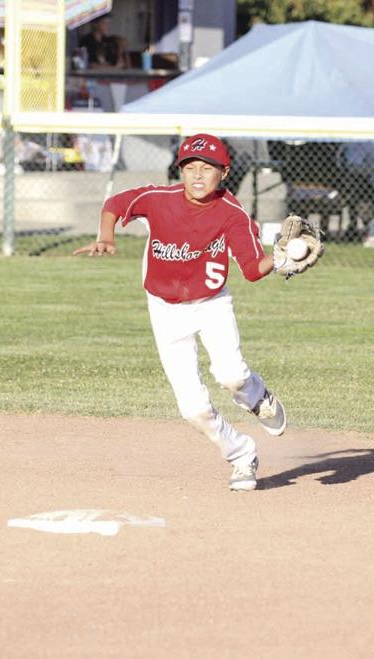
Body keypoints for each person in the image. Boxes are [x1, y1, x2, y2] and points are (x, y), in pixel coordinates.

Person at [73, 133, 296, 492]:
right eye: (189, 167)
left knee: (231, 376)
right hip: (164, 310)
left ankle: (257, 397)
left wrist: (283, 259)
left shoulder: (232, 214)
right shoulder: (159, 199)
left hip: (211, 304)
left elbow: (253, 270)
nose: (196, 175)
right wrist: (107, 237)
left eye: (206, 168)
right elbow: (115, 203)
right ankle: (241, 456)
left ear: (224, 172)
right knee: (193, 409)